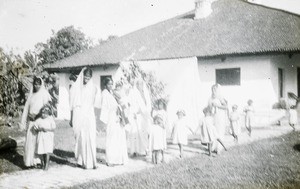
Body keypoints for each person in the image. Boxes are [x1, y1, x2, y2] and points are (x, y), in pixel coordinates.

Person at [69, 67, 101, 169]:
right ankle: (82, 161)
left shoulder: (94, 88)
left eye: (88, 77)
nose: (86, 79)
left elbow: (96, 104)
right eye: (85, 77)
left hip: (89, 114)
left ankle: (93, 162)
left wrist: (96, 117)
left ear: (91, 77)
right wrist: (72, 118)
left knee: (91, 137)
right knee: (81, 137)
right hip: (80, 114)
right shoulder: (76, 88)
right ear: (82, 76)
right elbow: (73, 104)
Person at [21, 76, 52, 168]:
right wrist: (27, 118)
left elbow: (47, 107)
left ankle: (38, 161)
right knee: (30, 141)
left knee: (39, 142)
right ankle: (29, 162)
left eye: (39, 84)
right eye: (35, 84)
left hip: (39, 120)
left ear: (41, 84)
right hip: (31, 120)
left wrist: (37, 116)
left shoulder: (44, 94)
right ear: (33, 85)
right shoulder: (31, 95)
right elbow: (26, 108)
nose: (37, 86)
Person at [100, 77, 128, 166]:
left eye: (112, 84)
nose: (111, 86)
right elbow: (104, 107)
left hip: (117, 116)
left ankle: (118, 159)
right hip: (111, 117)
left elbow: (119, 102)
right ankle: (110, 160)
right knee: (111, 138)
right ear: (105, 85)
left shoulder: (112, 93)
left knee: (119, 137)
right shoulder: (104, 94)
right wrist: (105, 121)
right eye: (109, 84)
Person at [127, 78, 151, 156]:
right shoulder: (132, 92)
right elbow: (130, 103)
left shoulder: (145, 93)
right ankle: (134, 151)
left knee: (144, 132)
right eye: (137, 84)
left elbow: (148, 105)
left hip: (145, 115)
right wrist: (133, 112)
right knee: (135, 133)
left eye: (141, 84)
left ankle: (145, 150)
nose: (139, 85)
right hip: (136, 115)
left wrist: (146, 112)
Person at [33, 105, 56, 170]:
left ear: (48, 113)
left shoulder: (50, 120)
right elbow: (35, 128)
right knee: (42, 150)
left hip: (48, 137)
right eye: (42, 113)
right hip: (41, 137)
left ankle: (47, 165)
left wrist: (47, 129)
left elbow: (53, 128)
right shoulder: (38, 120)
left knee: (47, 151)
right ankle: (43, 163)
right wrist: (39, 129)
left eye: (45, 114)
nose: (44, 115)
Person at [208, 84, 228, 154]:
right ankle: (214, 147)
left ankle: (219, 148)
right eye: (212, 89)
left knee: (219, 131)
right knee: (213, 132)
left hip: (220, 116)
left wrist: (218, 106)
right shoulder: (210, 98)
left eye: (215, 89)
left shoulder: (220, 97)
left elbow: (226, 107)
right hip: (213, 116)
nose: (213, 91)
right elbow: (209, 107)